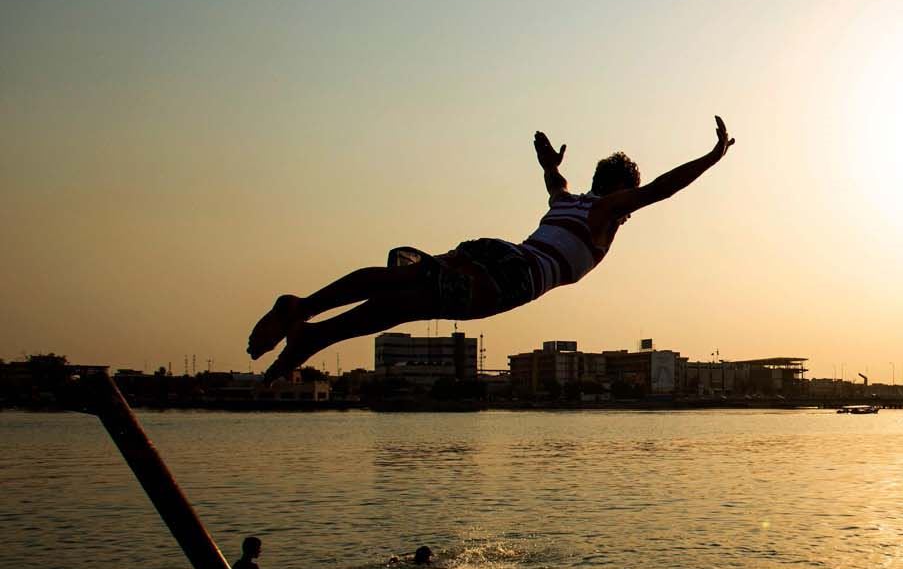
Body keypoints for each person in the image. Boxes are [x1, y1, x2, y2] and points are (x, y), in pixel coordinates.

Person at [248, 118, 736, 379]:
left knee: (402, 291)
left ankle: (309, 323)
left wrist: (548, 164)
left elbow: (555, 180)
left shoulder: (567, 200)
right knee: (410, 300)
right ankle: (305, 321)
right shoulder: (606, 211)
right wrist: (712, 158)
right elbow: (661, 190)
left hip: (496, 250)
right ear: (622, 192)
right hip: (514, 276)